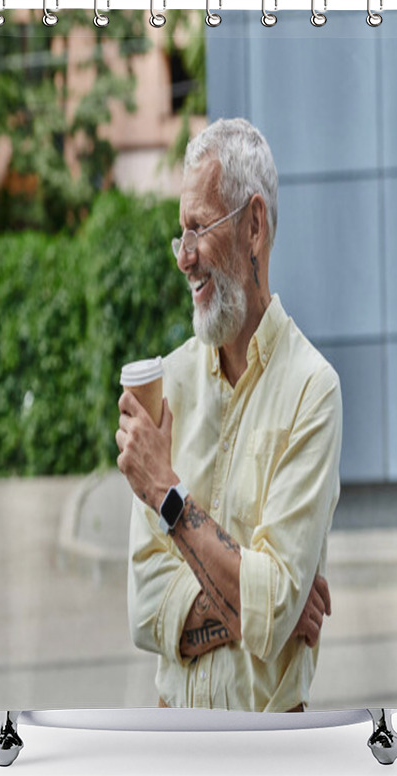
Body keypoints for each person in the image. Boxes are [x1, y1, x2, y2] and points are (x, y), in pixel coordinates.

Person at [115, 118, 342, 712]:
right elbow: (143, 609)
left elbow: (272, 609)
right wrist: (261, 613)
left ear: (254, 226)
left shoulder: (312, 391)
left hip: (268, 748)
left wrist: (167, 494)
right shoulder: (170, 384)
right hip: (170, 737)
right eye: (179, 234)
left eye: (199, 229)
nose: (184, 258)